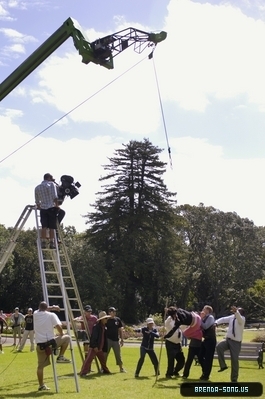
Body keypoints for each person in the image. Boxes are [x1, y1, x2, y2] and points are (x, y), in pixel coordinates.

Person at [33, 301, 71, 391]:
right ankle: (61, 356)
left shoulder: (35, 313)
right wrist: (61, 333)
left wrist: (53, 307)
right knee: (67, 338)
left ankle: (41, 385)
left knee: (40, 367)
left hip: (40, 345)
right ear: (47, 308)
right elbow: (58, 326)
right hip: (50, 343)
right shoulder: (51, 315)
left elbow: (43, 308)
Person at [215, 306, 245, 383]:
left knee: (234, 360)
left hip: (236, 342)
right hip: (228, 340)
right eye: (235, 311)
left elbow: (239, 319)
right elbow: (223, 319)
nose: (235, 312)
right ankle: (223, 366)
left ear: (241, 313)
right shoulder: (232, 317)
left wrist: (236, 312)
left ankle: (234, 379)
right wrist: (216, 322)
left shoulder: (242, 319)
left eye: (238, 311)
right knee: (219, 347)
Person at [80, 311, 111, 377]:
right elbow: (93, 338)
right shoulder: (96, 327)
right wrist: (94, 346)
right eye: (105, 318)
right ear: (102, 319)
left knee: (103, 361)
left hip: (100, 348)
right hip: (95, 347)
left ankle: (106, 371)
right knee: (88, 360)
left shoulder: (104, 327)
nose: (107, 320)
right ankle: (83, 373)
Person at [35, 173, 61, 249]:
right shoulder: (51, 184)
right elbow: (55, 197)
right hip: (51, 208)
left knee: (44, 226)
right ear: (49, 178)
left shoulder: (37, 187)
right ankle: (51, 242)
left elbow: (37, 201)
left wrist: (40, 207)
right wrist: (57, 206)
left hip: (43, 208)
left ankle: (43, 242)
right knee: (52, 227)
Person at [164, 306, 185, 378]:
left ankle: (175, 371)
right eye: (174, 314)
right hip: (170, 343)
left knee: (181, 361)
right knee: (171, 360)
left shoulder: (178, 319)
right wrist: (167, 314)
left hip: (178, 344)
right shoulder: (169, 320)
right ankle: (169, 374)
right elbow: (166, 324)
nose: (176, 315)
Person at [198, 305, 216, 381]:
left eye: (204, 309)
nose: (202, 310)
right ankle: (205, 371)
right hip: (205, 340)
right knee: (200, 356)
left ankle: (206, 375)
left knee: (208, 358)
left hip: (211, 340)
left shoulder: (210, 318)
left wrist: (201, 319)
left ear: (208, 311)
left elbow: (205, 326)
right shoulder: (204, 318)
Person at [106, 307, 126, 373]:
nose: (114, 313)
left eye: (115, 311)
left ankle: (121, 368)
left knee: (118, 355)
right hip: (108, 339)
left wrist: (122, 339)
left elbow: (120, 330)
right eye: (113, 311)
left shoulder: (117, 320)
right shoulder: (106, 320)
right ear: (109, 312)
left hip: (116, 340)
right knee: (105, 354)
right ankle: (102, 368)